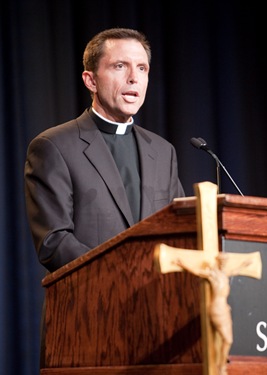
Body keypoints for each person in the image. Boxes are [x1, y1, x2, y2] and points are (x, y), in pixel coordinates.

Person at [24, 27, 185, 273]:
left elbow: (181, 231)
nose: (134, 78)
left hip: (157, 303)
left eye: (142, 68)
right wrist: (123, 271)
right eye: (120, 66)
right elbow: (54, 243)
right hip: (92, 302)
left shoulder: (163, 152)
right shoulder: (54, 146)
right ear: (91, 80)